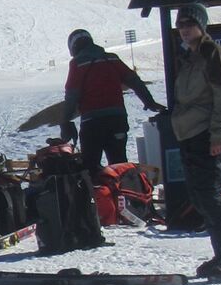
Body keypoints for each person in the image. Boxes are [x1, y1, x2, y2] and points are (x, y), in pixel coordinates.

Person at [168, 3, 221, 281]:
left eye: (190, 24)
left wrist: (219, 134)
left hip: (207, 134)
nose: (185, 30)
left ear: (202, 26)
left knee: (211, 196)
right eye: (181, 25)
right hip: (191, 134)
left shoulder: (212, 53)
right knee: (201, 197)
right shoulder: (190, 57)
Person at [61, 29, 163, 175]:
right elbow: (134, 80)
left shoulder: (77, 64)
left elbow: (72, 95)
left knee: (90, 166)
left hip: (92, 123)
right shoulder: (112, 59)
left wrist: (66, 121)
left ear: (73, 47)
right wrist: (149, 101)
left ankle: (100, 196)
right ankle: (126, 195)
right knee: (120, 164)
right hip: (118, 119)